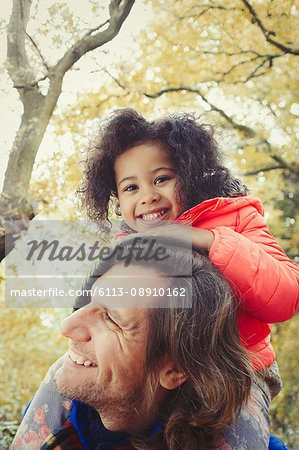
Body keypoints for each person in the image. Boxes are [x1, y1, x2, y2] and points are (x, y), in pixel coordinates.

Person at [78, 107, 299, 380]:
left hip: (239, 372)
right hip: (163, 380)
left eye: (161, 179)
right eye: (131, 188)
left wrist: (210, 240)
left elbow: (286, 298)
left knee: (231, 421)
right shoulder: (126, 247)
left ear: (189, 176)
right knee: (65, 376)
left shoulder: (235, 217)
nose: (148, 196)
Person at [12, 236, 271, 449]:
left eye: (112, 320)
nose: (66, 327)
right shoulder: (59, 413)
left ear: (174, 369)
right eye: (90, 301)